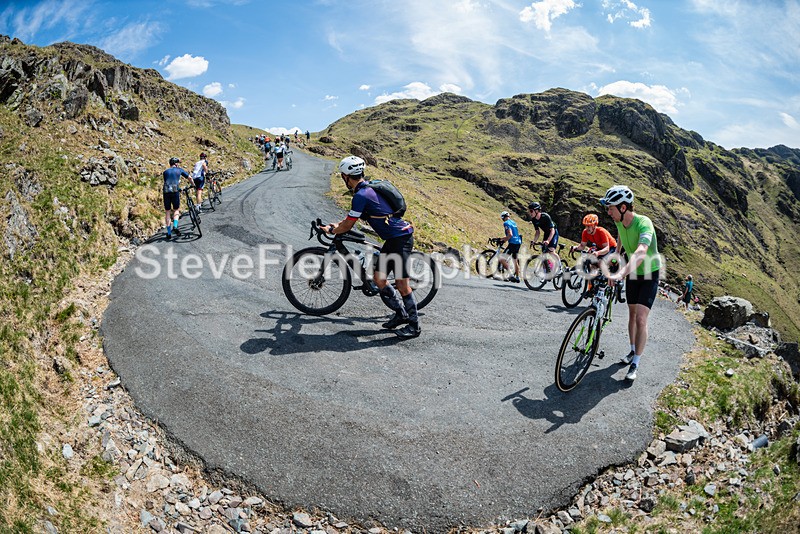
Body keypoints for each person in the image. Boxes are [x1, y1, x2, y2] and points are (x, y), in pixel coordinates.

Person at [322, 156, 421, 339]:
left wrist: (332, 229)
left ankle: (414, 326)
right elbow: (349, 220)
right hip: (393, 239)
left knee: (402, 285)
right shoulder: (364, 191)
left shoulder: (361, 195)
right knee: (379, 280)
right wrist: (335, 226)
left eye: (342, 176)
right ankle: (401, 314)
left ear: (345, 176)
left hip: (401, 239)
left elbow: (348, 225)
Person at [600, 185, 661, 382]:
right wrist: (617, 253)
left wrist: (621, 273)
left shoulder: (644, 223)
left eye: (611, 208)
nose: (608, 212)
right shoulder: (619, 222)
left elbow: (642, 251)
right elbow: (620, 236)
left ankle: (636, 361)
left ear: (623, 207)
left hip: (649, 273)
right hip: (634, 274)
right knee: (632, 314)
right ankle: (632, 350)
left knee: (641, 318)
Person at [570, 213, 617, 293]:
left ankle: (606, 280)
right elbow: (582, 246)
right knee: (592, 266)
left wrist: (597, 253)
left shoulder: (601, 231)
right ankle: (592, 287)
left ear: (594, 225)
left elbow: (606, 248)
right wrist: (575, 248)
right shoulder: (585, 232)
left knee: (601, 262)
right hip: (600, 247)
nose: (587, 228)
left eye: (589, 226)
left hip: (611, 247)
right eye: (586, 226)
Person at [162, 157, 191, 240]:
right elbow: (189, 177)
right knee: (176, 209)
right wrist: (193, 184)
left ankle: (169, 232)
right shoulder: (179, 170)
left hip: (166, 191)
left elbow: (168, 181)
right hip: (175, 190)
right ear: (175, 164)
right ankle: (175, 226)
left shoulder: (165, 172)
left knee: (167, 211)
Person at [498, 210, 522, 283]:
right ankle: (517, 277)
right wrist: (505, 240)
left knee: (501, 259)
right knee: (515, 260)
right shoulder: (513, 222)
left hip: (512, 243)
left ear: (503, 217)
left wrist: (502, 239)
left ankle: (511, 275)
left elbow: (510, 235)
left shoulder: (506, 223)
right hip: (518, 242)